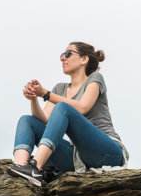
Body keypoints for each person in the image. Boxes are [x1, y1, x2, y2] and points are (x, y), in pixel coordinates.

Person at [7, 41, 128, 187]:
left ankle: (35, 168)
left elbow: (83, 107)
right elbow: (44, 119)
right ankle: (21, 169)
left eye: (68, 54)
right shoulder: (59, 89)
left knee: (63, 107)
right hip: (78, 157)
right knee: (27, 120)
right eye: (62, 55)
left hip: (107, 152)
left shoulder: (95, 79)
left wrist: (45, 94)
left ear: (84, 59)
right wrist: (34, 99)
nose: (62, 58)